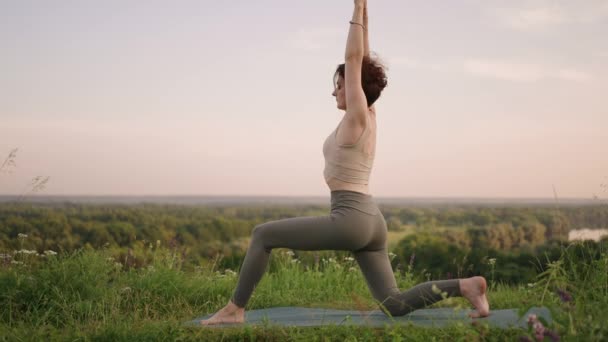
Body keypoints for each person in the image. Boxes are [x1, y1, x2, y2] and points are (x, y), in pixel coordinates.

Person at [201, 0, 489, 325]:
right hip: (372, 221)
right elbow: (362, 60)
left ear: (353, 90)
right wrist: (365, 11)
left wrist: (355, 9)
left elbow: (354, 60)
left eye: (339, 85)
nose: (335, 92)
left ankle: (234, 309)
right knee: (393, 303)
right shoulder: (369, 116)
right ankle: (466, 286)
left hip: (351, 218)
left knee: (262, 235)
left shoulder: (357, 118)